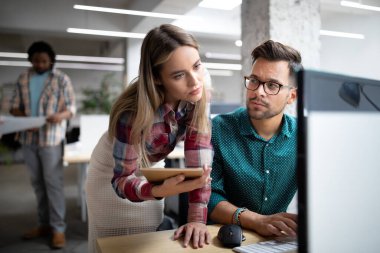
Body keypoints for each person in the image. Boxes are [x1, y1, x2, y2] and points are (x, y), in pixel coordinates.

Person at [86, 24, 213, 253]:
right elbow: (121, 180)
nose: (195, 81)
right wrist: (157, 191)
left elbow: (201, 167)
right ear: (157, 78)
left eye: (196, 66)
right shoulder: (134, 113)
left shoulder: (198, 98)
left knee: (149, 238)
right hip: (111, 173)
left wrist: (197, 220)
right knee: (114, 245)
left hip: (150, 168)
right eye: (178, 75)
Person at [208, 40, 302, 238]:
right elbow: (207, 197)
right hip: (224, 238)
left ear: (291, 96)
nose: (258, 92)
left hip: (277, 240)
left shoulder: (303, 137)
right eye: (254, 80)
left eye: (272, 85)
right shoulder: (219, 129)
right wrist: (258, 221)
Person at [9, 41, 76, 249]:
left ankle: (58, 229)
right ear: (30, 60)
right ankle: (43, 224)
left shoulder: (61, 79)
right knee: (38, 184)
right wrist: (25, 119)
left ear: (51, 61)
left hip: (51, 139)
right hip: (28, 139)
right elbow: (13, 107)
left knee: (53, 184)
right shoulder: (23, 78)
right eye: (36, 61)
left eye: (44, 61)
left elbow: (71, 108)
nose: (40, 64)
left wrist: (60, 116)